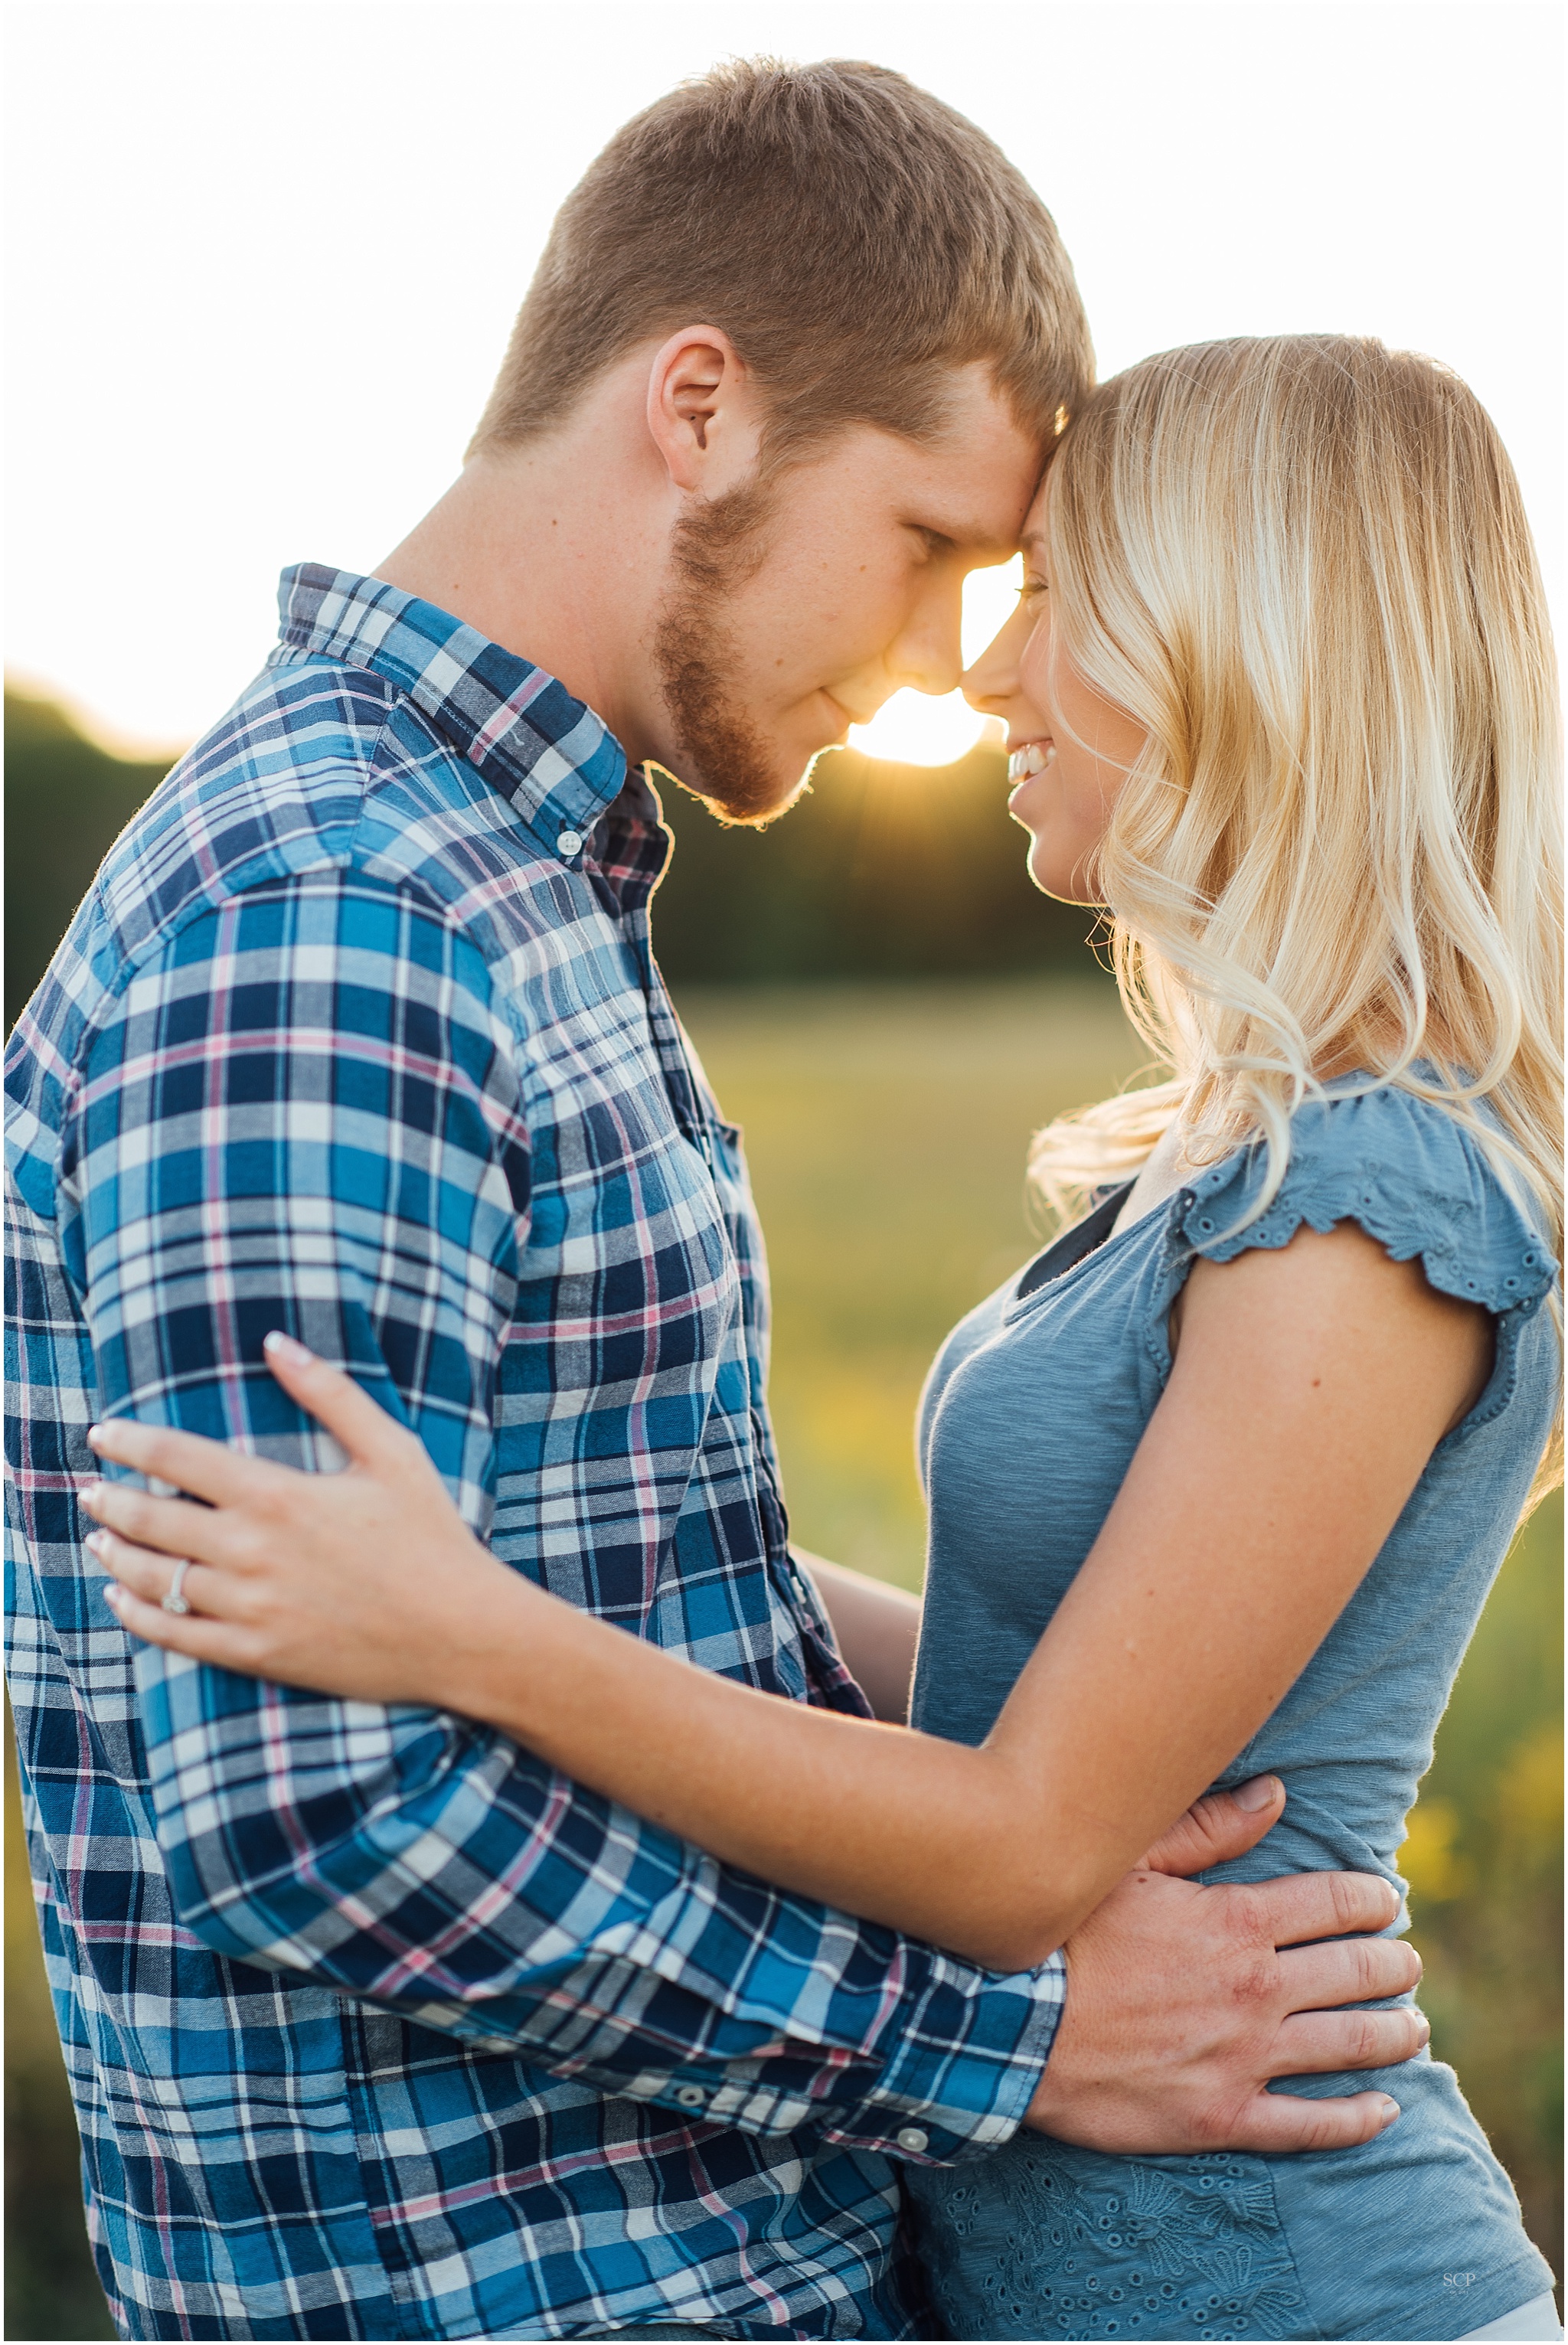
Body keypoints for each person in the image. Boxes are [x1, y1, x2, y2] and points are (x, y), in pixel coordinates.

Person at [5, 61, 1427, 2345]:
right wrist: (1018, 2033)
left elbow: (639, 1589)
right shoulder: (342, 910)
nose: (951, 663)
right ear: (700, 405)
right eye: (936, 541)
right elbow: (315, 1811)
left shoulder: (505, 886)